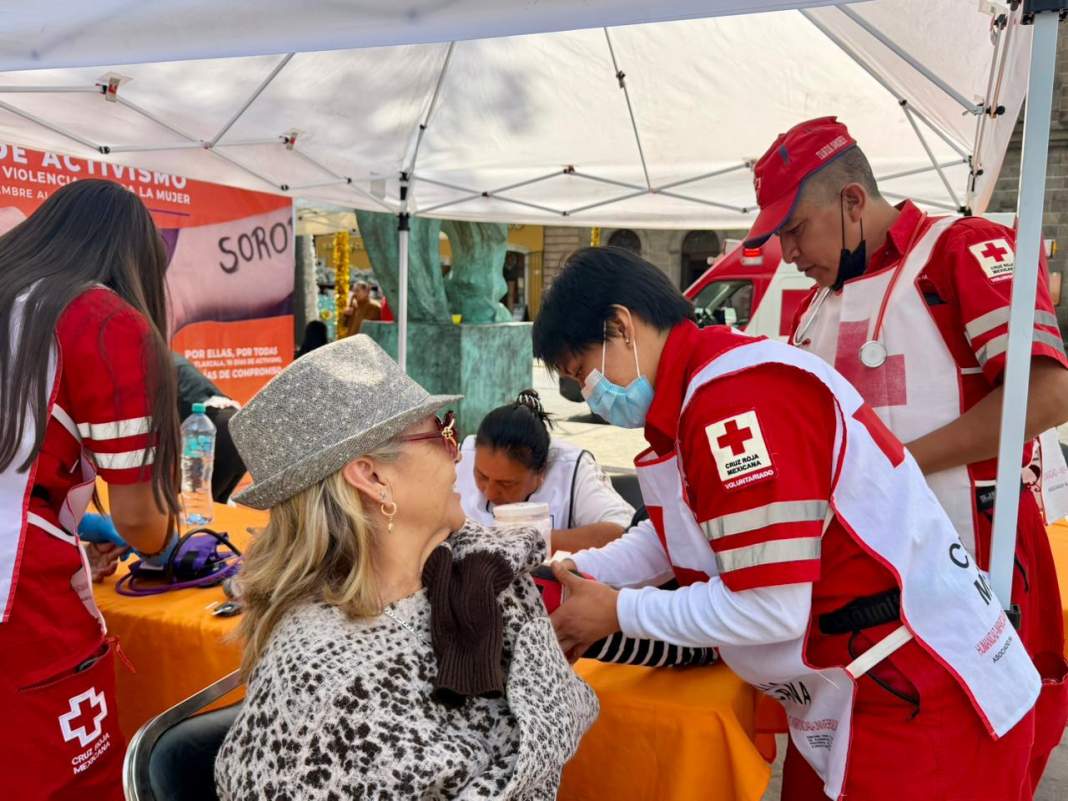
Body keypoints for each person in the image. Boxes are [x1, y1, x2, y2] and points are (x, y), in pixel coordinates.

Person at [533, 246, 1040, 801]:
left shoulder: (733, 401)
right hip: (853, 686)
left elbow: (770, 607)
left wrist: (619, 612)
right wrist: (576, 569)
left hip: (923, 694)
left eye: (582, 374)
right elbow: (674, 533)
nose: (590, 395)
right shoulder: (695, 395)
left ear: (621, 327)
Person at [747, 116, 1068, 791]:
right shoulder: (810, 308)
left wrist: (892, 464)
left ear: (852, 201)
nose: (787, 251)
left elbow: (1046, 393)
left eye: (794, 228)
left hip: (973, 580)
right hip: (853, 612)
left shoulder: (962, 248)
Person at [214, 335, 597, 801]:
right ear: (373, 477)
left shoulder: (476, 574)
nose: (458, 453)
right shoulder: (328, 683)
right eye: (443, 432)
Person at [0, 180, 180, 799]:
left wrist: (71, 522)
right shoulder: (101, 320)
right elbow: (144, 523)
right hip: (21, 605)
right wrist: (161, 535)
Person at [456, 389, 635, 553]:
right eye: (481, 476)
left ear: (541, 471)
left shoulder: (572, 468)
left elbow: (622, 532)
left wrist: (530, 541)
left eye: (506, 483)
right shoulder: (461, 456)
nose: (490, 492)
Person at [173, 353, 246, 503]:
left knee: (198, 507)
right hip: (240, 428)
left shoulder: (148, 365)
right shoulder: (168, 358)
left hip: (219, 435)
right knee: (215, 505)